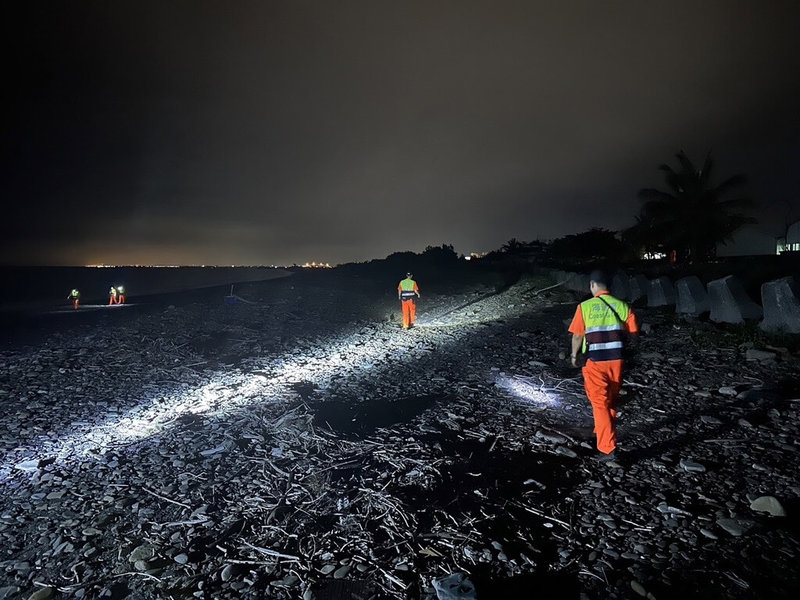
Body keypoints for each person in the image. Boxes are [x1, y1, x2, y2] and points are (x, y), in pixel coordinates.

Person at [568, 269, 638, 462]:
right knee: (611, 401)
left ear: (592, 285)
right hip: (617, 360)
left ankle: (607, 449)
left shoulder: (585, 307)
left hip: (595, 362)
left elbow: (577, 335)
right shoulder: (623, 306)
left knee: (599, 403)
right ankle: (602, 430)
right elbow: (632, 333)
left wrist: (574, 355)